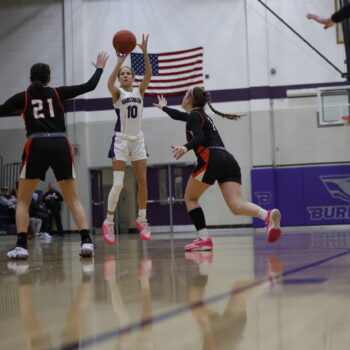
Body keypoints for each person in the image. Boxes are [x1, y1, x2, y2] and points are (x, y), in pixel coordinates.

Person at [0, 51, 109, 260]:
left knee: (22, 201)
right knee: (72, 198)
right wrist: (100, 68)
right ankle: (86, 241)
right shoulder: (57, 93)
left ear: (30, 78)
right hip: (60, 143)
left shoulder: (22, 97)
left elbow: (2, 109)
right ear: (49, 78)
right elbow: (89, 86)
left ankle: (21, 246)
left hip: (37, 144)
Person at [153, 87, 282, 251]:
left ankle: (203, 238)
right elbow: (179, 116)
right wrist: (164, 108)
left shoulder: (194, 115)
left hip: (211, 157)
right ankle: (267, 215)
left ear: (189, 99)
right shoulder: (199, 115)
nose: (183, 97)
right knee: (236, 205)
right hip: (228, 159)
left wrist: (185, 148)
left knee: (190, 198)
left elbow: (200, 137)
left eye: (185, 94)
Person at [102, 34, 152, 244]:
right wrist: (119, 62)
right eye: (122, 74)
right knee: (119, 184)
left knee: (142, 181)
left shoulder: (140, 91)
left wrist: (145, 52)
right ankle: (109, 221)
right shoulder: (117, 94)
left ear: (133, 77)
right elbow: (108, 82)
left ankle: (142, 219)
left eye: (127, 73)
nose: (124, 76)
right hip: (121, 140)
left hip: (138, 140)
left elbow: (149, 74)